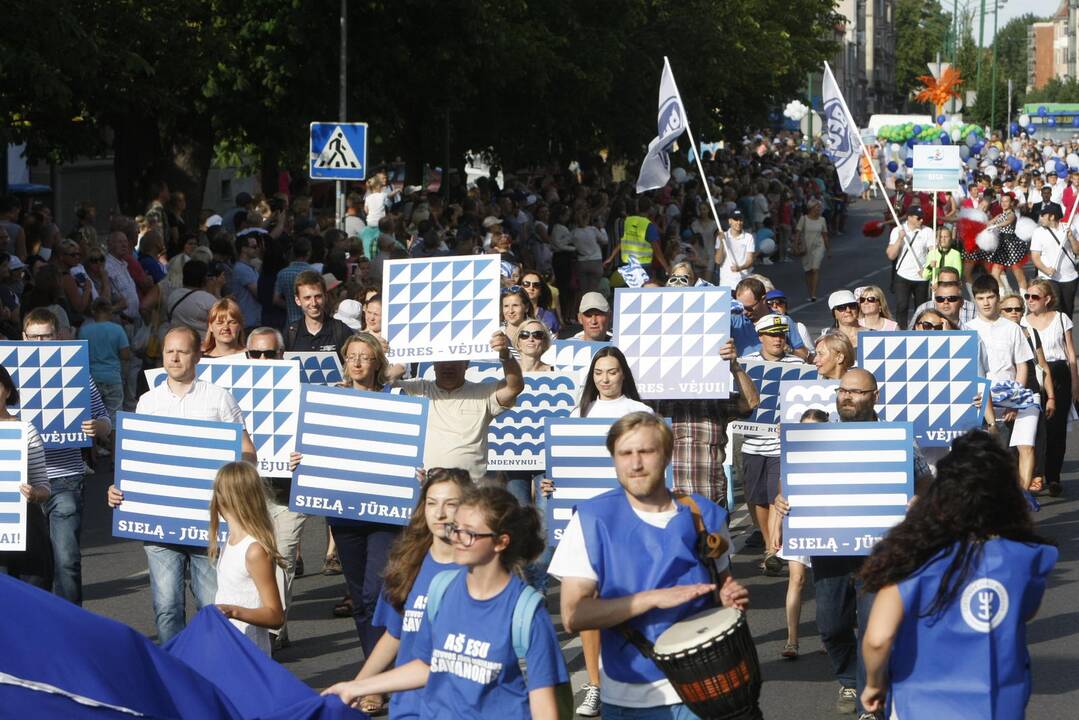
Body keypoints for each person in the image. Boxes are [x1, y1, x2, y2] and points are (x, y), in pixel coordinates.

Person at [550, 412, 748, 717]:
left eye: (646, 451)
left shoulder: (703, 515)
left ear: (667, 456)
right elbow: (573, 615)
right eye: (625, 453)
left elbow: (723, 586)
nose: (635, 463)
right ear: (614, 458)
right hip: (631, 694)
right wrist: (652, 599)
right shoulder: (589, 520)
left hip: (706, 688)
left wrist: (728, 598)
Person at [323, 486, 568, 719]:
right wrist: (356, 687)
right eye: (455, 529)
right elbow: (428, 666)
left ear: (501, 542)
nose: (457, 539)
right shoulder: (442, 590)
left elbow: (544, 710)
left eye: (469, 533)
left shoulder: (526, 613)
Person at [859, 431, 1057, 718]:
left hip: (919, 703)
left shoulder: (911, 555)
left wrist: (874, 685)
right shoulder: (1027, 557)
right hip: (998, 703)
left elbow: (878, 638)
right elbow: (1024, 611)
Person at [106, 326, 257, 643]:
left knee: (211, 606)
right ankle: (175, 674)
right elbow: (136, 459)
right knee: (167, 607)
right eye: (169, 352)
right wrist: (118, 489)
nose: (174, 357)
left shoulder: (218, 398)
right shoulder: (148, 402)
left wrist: (225, 465)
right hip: (158, 521)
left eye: (182, 351)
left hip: (209, 522)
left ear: (198, 355)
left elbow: (248, 453)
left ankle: (212, 671)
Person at [807, 368, 933, 717]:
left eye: (856, 392)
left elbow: (924, 481)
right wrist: (785, 501)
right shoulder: (819, 432)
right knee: (831, 624)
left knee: (871, 626)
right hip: (829, 543)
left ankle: (868, 703)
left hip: (880, 547)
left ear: (874, 396)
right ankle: (848, 677)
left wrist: (917, 504)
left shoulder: (896, 436)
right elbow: (793, 479)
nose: (846, 397)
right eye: (843, 390)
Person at [344, 468, 473, 717]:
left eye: (451, 504)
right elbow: (394, 636)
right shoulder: (407, 565)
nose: (440, 513)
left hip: (458, 707)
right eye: (432, 503)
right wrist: (354, 688)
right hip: (408, 708)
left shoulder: (477, 571)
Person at [23, 308, 111, 605]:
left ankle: (70, 628)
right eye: (34, 337)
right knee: (32, 568)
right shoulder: (9, 377)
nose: (40, 342)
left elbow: (104, 419)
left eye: (46, 336)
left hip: (65, 479)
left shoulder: (76, 376)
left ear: (58, 336)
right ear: (23, 338)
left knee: (66, 562)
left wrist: (97, 427)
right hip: (20, 483)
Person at [393, 333, 524, 481]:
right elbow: (377, 389)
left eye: (455, 360)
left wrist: (506, 355)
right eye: (443, 360)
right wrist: (383, 355)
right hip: (427, 489)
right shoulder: (416, 389)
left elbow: (514, 387)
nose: (448, 365)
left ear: (467, 363)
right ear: (434, 363)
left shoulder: (483, 393)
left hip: (472, 491)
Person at [740, 314, 807, 576]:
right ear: (761, 338)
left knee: (773, 496)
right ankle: (769, 545)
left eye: (782, 334)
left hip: (781, 446)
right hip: (752, 445)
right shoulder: (747, 364)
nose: (778, 339)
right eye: (773, 334)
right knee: (756, 498)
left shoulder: (797, 364)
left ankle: (772, 550)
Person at [966, 275, 1038, 491]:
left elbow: (1021, 367)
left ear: (998, 298)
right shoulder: (966, 329)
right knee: (978, 462)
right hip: (976, 404)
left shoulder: (1012, 328)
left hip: (1005, 402)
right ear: (975, 300)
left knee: (1005, 459)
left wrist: (1013, 402)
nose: (986, 302)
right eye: (981, 298)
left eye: (990, 297)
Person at [208, 461, 285, 654]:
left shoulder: (254, 550)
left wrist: (233, 611)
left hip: (248, 653)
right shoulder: (230, 540)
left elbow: (275, 615)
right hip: (227, 644)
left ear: (224, 498)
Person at [770, 407, 828, 660]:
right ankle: (792, 640)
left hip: (828, 522)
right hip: (799, 521)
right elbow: (780, 497)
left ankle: (832, 637)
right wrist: (775, 530)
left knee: (829, 584)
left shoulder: (836, 454)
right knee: (797, 580)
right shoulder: (791, 456)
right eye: (804, 427)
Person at [1020, 279, 1078, 496]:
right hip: (1034, 377)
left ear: (1047, 299)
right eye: (1028, 296)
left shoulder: (1061, 319)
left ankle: (1053, 477)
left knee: (1056, 429)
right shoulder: (1022, 323)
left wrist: (1075, 383)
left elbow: (1071, 353)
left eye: (1035, 297)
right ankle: (1037, 474)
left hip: (1060, 374)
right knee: (1035, 428)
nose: (1030, 301)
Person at [0, 364, 50, 589]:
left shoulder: (25, 430)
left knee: (31, 607)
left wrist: (34, 493)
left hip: (24, 533)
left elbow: (44, 487)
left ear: (8, 391)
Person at [78, 298, 131, 431]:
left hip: (91, 380)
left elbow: (79, 356)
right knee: (114, 419)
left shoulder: (84, 330)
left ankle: (95, 451)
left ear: (93, 311)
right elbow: (126, 355)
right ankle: (113, 451)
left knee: (91, 421)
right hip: (113, 378)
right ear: (110, 312)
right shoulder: (118, 330)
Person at [885, 206, 933, 328]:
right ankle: (901, 331)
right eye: (918, 218)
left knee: (921, 308)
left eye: (923, 218)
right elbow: (891, 255)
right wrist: (900, 239)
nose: (921, 220)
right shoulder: (897, 230)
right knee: (902, 306)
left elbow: (932, 253)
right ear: (909, 217)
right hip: (903, 275)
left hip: (921, 276)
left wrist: (927, 268)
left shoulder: (928, 231)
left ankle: (920, 331)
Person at [572, 347, 652, 419]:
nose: (605, 379)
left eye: (612, 373)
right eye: (598, 373)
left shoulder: (642, 412)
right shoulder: (578, 414)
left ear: (624, 374)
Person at [284, 270, 353, 353]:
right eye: (307, 298)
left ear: (325, 297)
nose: (314, 303)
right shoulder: (290, 333)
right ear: (297, 300)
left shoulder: (341, 330)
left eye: (318, 296)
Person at [1029, 205, 1079, 319]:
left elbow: (1077, 251)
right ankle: (1054, 335)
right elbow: (1035, 257)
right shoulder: (1038, 232)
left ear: (1052, 217)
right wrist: (1046, 270)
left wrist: (1071, 237)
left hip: (1069, 277)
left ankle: (1065, 335)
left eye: (1043, 215)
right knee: (1054, 308)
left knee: (1068, 311)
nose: (1040, 218)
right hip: (1048, 278)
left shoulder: (1070, 228)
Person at [165, 259, 221, 338]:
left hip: (176, 341)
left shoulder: (173, 295)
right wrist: (216, 289)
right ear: (204, 279)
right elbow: (222, 319)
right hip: (200, 345)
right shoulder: (208, 300)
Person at [907, 267, 976, 329]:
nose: (945, 302)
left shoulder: (973, 309)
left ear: (960, 284)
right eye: (940, 299)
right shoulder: (923, 308)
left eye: (952, 298)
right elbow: (910, 334)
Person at [988, 192, 1026, 293]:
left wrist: (996, 226)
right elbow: (988, 223)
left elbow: (1009, 221)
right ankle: (1003, 294)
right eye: (1002, 201)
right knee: (995, 274)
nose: (1004, 203)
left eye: (1007, 201)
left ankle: (1024, 300)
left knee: (1019, 275)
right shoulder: (1000, 215)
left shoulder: (1011, 214)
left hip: (1012, 246)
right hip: (1001, 246)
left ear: (1011, 203)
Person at [793, 199, 829, 301]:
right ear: (811, 208)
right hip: (807, 247)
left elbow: (825, 235)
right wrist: (795, 246)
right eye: (817, 207)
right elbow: (798, 233)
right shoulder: (804, 219)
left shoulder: (822, 220)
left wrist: (828, 249)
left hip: (819, 246)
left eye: (819, 207)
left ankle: (813, 294)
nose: (819, 209)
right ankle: (810, 292)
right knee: (808, 270)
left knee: (815, 269)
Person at [715, 210, 756, 290]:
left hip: (743, 280)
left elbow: (750, 260)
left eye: (741, 220)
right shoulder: (721, 236)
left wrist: (740, 268)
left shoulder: (749, 237)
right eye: (736, 220)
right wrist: (722, 243)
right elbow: (718, 261)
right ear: (730, 221)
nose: (739, 222)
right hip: (725, 282)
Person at [921, 225, 963, 290]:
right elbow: (925, 276)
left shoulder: (955, 254)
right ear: (937, 239)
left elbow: (958, 275)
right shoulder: (932, 253)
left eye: (946, 237)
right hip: (935, 290)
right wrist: (930, 267)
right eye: (940, 237)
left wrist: (940, 284)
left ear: (950, 238)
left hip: (950, 288)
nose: (943, 239)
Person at [520, 269, 560, 335]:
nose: (531, 287)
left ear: (541, 291)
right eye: (526, 284)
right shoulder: (510, 312)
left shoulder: (549, 316)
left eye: (536, 285)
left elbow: (554, 343)